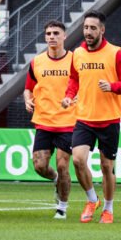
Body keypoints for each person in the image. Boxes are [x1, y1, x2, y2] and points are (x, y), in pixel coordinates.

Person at [61, 10, 121, 224]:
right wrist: (68, 96)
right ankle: (91, 199)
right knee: (77, 159)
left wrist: (112, 86)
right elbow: (74, 80)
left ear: (102, 30)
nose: (88, 31)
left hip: (109, 119)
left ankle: (108, 208)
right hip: (84, 117)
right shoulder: (77, 53)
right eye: (86, 27)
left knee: (106, 167)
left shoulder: (115, 53)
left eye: (93, 28)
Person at [23, 20, 76, 220]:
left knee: (63, 165)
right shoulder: (37, 62)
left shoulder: (74, 60)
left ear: (65, 36)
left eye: (56, 33)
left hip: (68, 122)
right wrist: (28, 100)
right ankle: (55, 179)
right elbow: (28, 88)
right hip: (43, 121)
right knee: (39, 166)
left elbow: (82, 85)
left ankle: (62, 207)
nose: (52, 36)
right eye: (48, 33)